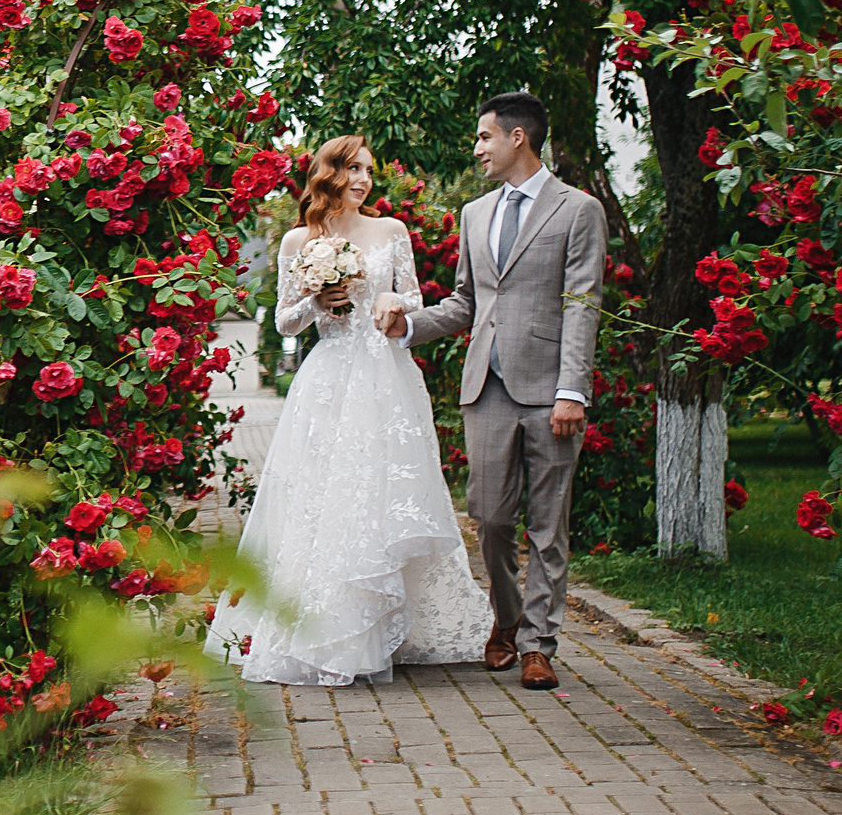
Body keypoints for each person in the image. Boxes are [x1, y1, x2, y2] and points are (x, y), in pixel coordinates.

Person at [206, 135, 487, 686]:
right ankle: (325, 626)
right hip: (330, 376)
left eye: (368, 171)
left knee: (384, 490)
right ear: (329, 174)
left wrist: (393, 302)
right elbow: (285, 322)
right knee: (322, 495)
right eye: (352, 169)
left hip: (386, 375)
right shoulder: (297, 240)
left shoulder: (391, 232)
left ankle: (392, 626)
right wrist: (316, 301)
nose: (362, 179)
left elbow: (414, 299)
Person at [380, 91, 606, 691]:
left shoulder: (578, 210)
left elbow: (583, 304)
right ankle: (505, 620)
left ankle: (537, 643)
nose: (477, 148)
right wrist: (409, 322)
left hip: (550, 389)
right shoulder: (475, 214)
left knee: (547, 524)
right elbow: (466, 303)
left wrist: (572, 390)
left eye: (484, 137)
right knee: (491, 518)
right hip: (487, 387)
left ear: (517, 138)